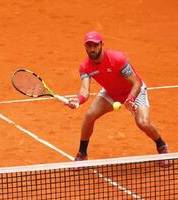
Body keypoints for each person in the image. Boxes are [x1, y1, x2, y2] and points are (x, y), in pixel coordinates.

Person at [66, 31, 170, 161]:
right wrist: (78, 100)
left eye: (95, 45)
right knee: (89, 116)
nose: (92, 49)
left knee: (143, 123)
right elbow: (85, 90)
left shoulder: (118, 59)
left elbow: (136, 83)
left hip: (134, 92)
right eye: (89, 46)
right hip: (111, 93)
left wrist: (130, 99)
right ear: (85, 47)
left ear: (101, 45)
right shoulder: (85, 67)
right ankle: (82, 153)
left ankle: (161, 145)